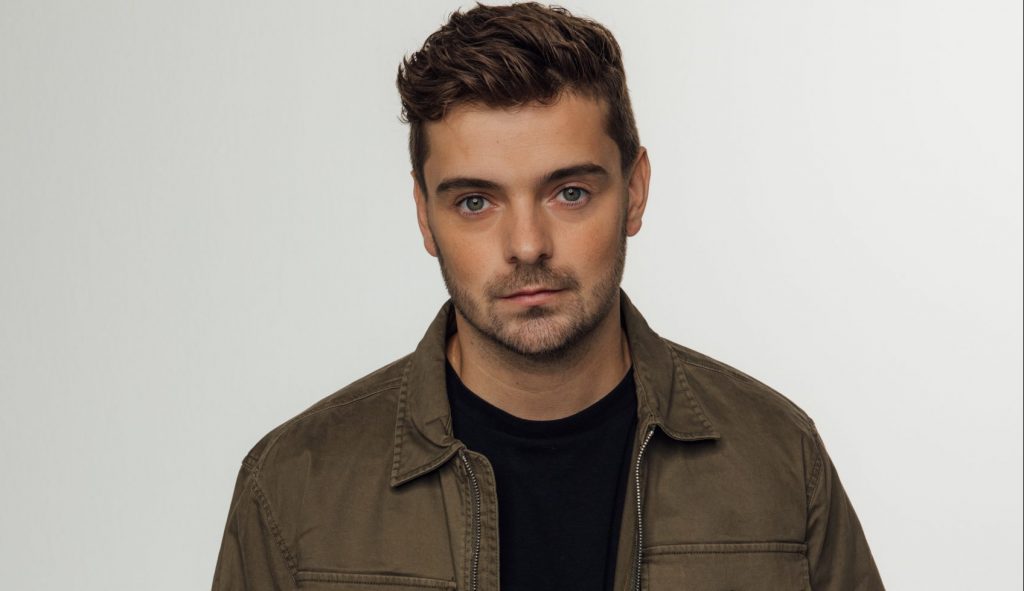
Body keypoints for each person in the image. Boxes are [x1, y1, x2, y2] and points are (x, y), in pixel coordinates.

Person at [211, 3, 884, 590]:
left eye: (570, 192)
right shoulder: (296, 486)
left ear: (635, 191)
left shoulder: (778, 459)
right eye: (475, 202)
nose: (527, 244)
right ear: (424, 215)